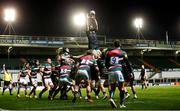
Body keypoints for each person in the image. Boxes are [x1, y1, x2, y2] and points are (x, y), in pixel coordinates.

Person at [105, 40, 131, 108]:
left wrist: (109, 68)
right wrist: (130, 72)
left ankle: (110, 98)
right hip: (118, 70)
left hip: (111, 71)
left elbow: (106, 63)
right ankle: (121, 104)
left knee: (112, 87)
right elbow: (127, 63)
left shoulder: (109, 52)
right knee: (121, 88)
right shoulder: (123, 52)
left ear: (114, 45)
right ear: (120, 45)